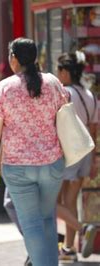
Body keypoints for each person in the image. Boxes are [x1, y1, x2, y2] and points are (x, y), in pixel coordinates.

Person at [0, 38, 67, 266]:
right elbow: (63, 118)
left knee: (31, 224)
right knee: (48, 219)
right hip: (52, 163)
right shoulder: (53, 83)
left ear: (14, 59)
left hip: (18, 168)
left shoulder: (5, 87)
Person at [56, 51, 99, 260]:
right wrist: (94, 159)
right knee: (71, 200)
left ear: (65, 72)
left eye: (58, 70)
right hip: (86, 153)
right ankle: (68, 248)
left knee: (53, 201)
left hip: (68, 153)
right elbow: (93, 129)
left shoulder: (65, 93)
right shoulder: (90, 95)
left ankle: (80, 231)